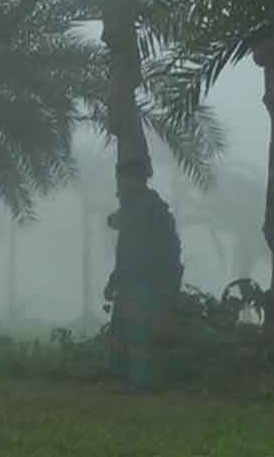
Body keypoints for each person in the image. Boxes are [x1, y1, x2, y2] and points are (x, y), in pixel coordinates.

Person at [104, 161, 182, 393]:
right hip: (141, 281)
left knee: (138, 334)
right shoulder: (148, 206)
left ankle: (141, 383)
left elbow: (134, 250)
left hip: (144, 281)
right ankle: (133, 381)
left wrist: (116, 279)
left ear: (133, 180)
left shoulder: (145, 209)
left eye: (122, 181)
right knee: (126, 333)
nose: (119, 186)